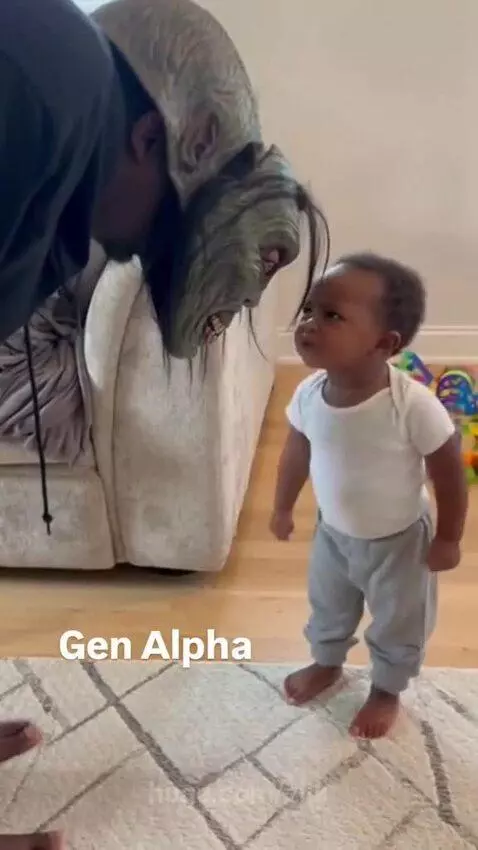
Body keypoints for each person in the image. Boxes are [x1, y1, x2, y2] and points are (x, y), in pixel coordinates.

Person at [0, 0, 329, 846]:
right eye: (156, 238)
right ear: (156, 140)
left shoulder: (69, 137)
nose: (136, 256)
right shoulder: (40, 100)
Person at [270, 253, 469, 740]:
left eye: (332, 316)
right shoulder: (309, 393)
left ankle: (387, 687)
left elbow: (448, 472)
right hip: (334, 534)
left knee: (401, 620)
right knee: (328, 605)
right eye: (310, 311)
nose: (310, 325)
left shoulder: (412, 406)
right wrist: (281, 505)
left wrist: (448, 539)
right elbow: (297, 448)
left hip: (401, 542)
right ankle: (327, 662)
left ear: (385, 344)